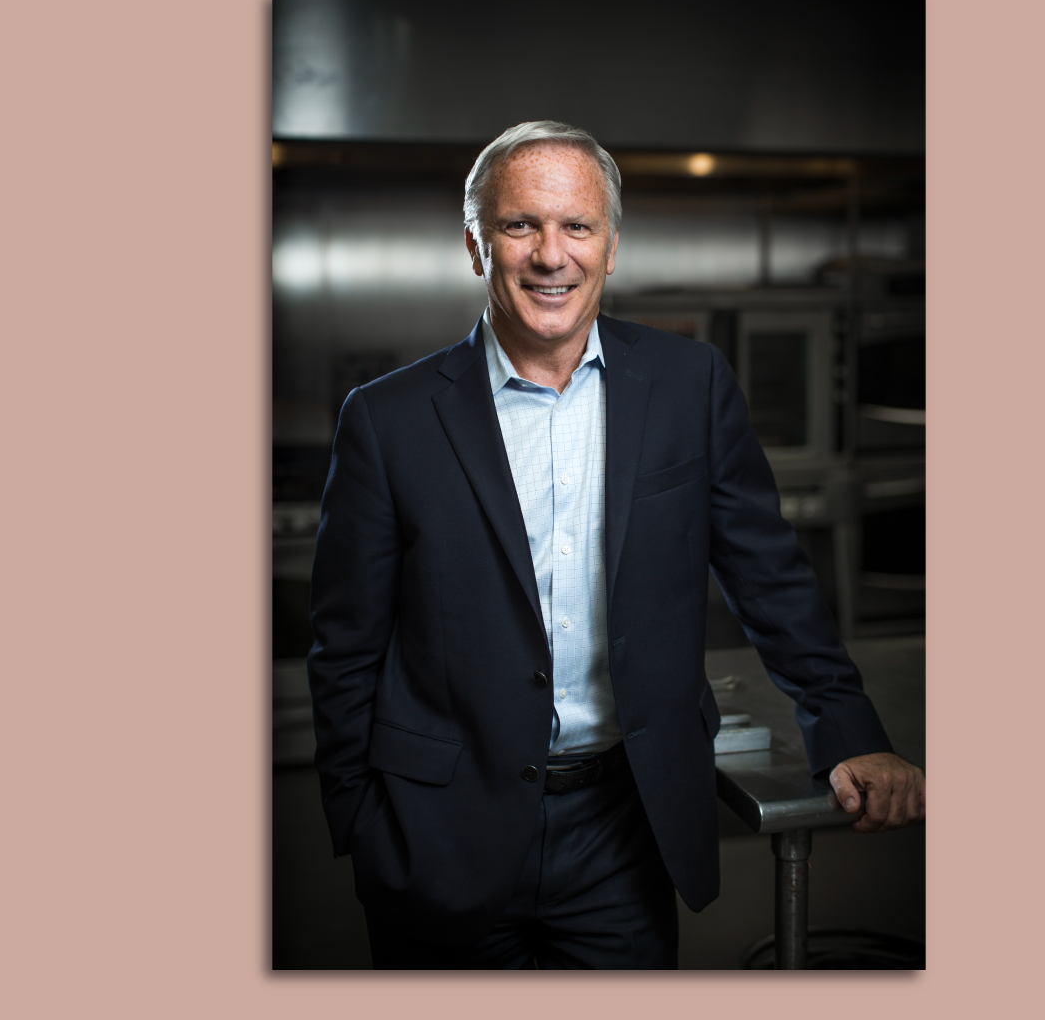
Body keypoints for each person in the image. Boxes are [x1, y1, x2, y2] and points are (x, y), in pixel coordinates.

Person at [307, 120, 923, 969]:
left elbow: (769, 575)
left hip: (621, 831)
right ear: (477, 248)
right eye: (521, 225)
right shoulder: (387, 419)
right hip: (438, 833)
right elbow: (345, 645)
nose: (550, 254)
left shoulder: (688, 385)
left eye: (577, 227)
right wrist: (361, 820)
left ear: (611, 244)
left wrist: (848, 727)